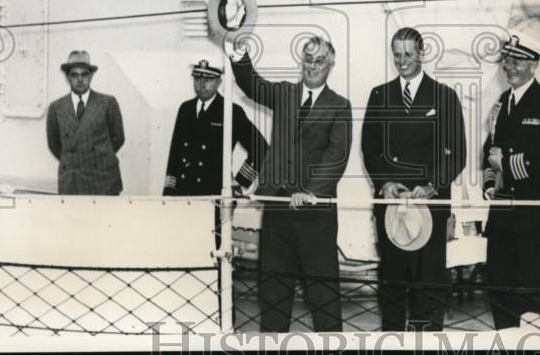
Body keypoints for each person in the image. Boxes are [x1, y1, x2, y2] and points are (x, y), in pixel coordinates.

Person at [228, 33, 352, 332]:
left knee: (323, 295)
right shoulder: (283, 93)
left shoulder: (340, 105)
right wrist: (238, 53)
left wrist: (310, 192)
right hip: (278, 207)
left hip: (315, 214)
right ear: (301, 62)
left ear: (330, 64)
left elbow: (336, 158)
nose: (312, 66)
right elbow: (251, 83)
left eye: (319, 60)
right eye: (307, 59)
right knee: (273, 291)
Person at [361, 27, 467, 331]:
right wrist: (384, 183)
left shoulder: (444, 96)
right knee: (392, 281)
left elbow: (457, 152)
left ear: (422, 53)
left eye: (408, 54)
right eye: (397, 54)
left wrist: (432, 184)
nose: (402, 61)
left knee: (428, 283)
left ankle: (428, 342)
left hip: (429, 205)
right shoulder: (379, 95)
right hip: (392, 203)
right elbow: (370, 150)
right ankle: (392, 340)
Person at [482, 34, 540, 330]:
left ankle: (530, 343)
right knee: (499, 285)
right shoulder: (502, 102)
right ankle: (504, 339)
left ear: (533, 65)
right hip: (503, 210)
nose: (508, 66)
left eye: (516, 60)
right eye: (507, 59)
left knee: (530, 290)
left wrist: (503, 164)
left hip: (533, 210)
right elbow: (487, 148)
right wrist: (491, 182)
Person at [163, 59, 267, 197]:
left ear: (219, 82)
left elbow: (261, 148)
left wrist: (239, 182)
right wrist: (169, 192)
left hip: (215, 195)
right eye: (197, 79)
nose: (201, 84)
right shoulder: (185, 109)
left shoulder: (231, 111)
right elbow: (175, 153)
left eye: (208, 79)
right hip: (183, 193)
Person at [46, 50, 125, 195]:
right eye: (74, 75)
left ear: (91, 76)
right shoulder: (56, 108)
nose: (80, 79)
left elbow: (118, 139)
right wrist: (74, 160)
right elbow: (54, 144)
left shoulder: (107, 103)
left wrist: (97, 159)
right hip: (72, 181)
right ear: (67, 78)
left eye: (84, 74)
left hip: (103, 181)